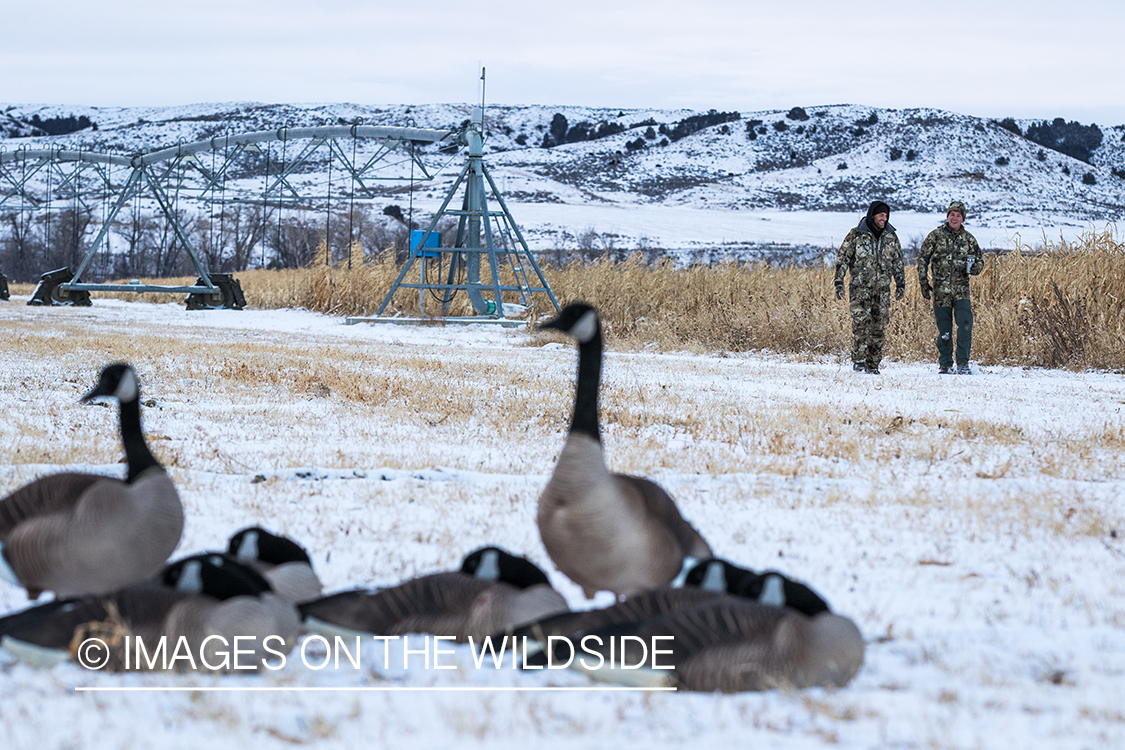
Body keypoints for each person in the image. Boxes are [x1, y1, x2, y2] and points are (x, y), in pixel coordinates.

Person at [834, 200, 906, 375]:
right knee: (861, 325)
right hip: (860, 290)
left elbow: (897, 261)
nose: (884, 218)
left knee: (879, 327)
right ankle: (859, 362)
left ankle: (873, 365)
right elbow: (843, 259)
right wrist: (838, 281)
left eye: (886, 215)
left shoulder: (891, 237)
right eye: (881, 215)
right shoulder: (856, 235)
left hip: (882, 291)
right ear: (872, 215)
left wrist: (900, 283)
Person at [917, 201, 983, 374]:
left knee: (966, 325)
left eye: (958, 215)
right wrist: (923, 281)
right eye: (952, 214)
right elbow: (923, 257)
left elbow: (979, 261)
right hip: (941, 292)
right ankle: (945, 364)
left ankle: (962, 363)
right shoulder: (936, 236)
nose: (955, 218)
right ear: (947, 216)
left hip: (962, 291)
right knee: (944, 330)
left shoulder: (969, 239)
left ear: (963, 219)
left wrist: (974, 268)